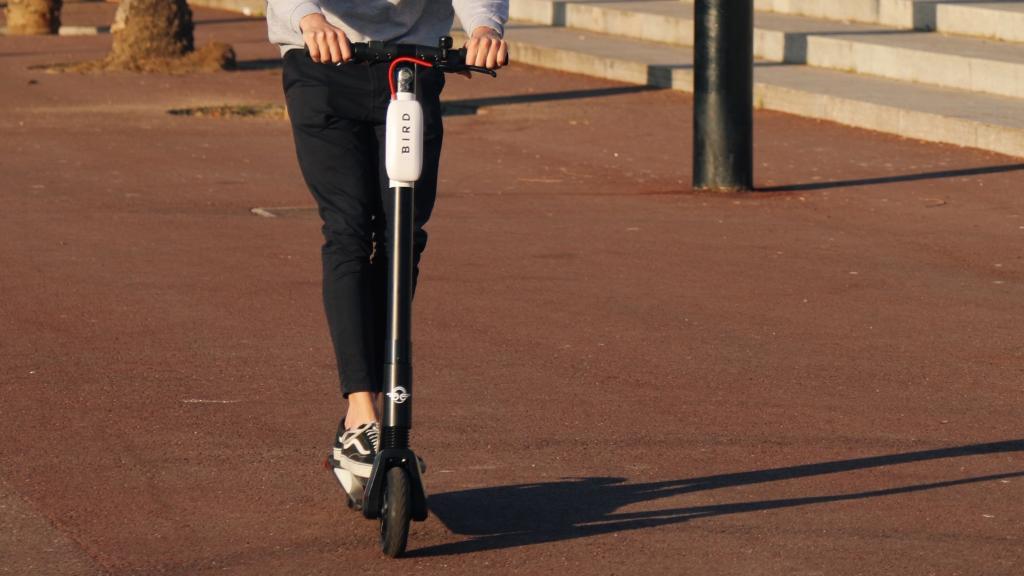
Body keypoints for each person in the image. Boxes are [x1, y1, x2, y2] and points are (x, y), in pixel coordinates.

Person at [265, 1, 509, 484]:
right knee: (348, 229)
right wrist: (310, 21)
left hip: (413, 65)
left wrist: (485, 27)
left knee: (405, 233)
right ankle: (361, 413)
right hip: (323, 63)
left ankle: (375, 410)